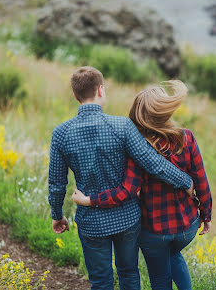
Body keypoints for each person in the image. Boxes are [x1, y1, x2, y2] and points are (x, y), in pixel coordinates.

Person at [48, 67, 193, 290]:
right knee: (129, 274)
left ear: (76, 96)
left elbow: (57, 184)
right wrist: (186, 181)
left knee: (100, 281)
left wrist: (57, 215)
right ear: (101, 90)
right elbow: (153, 163)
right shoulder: (122, 126)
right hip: (127, 219)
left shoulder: (61, 134)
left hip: (91, 222)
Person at [72, 80, 212, 290]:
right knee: (174, 254)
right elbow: (201, 182)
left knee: (160, 279)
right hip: (187, 226)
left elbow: (126, 191)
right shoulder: (186, 138)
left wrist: (90, 200)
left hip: (154, 230)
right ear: (165, 113)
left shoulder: (137, 148)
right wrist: (206, 215)